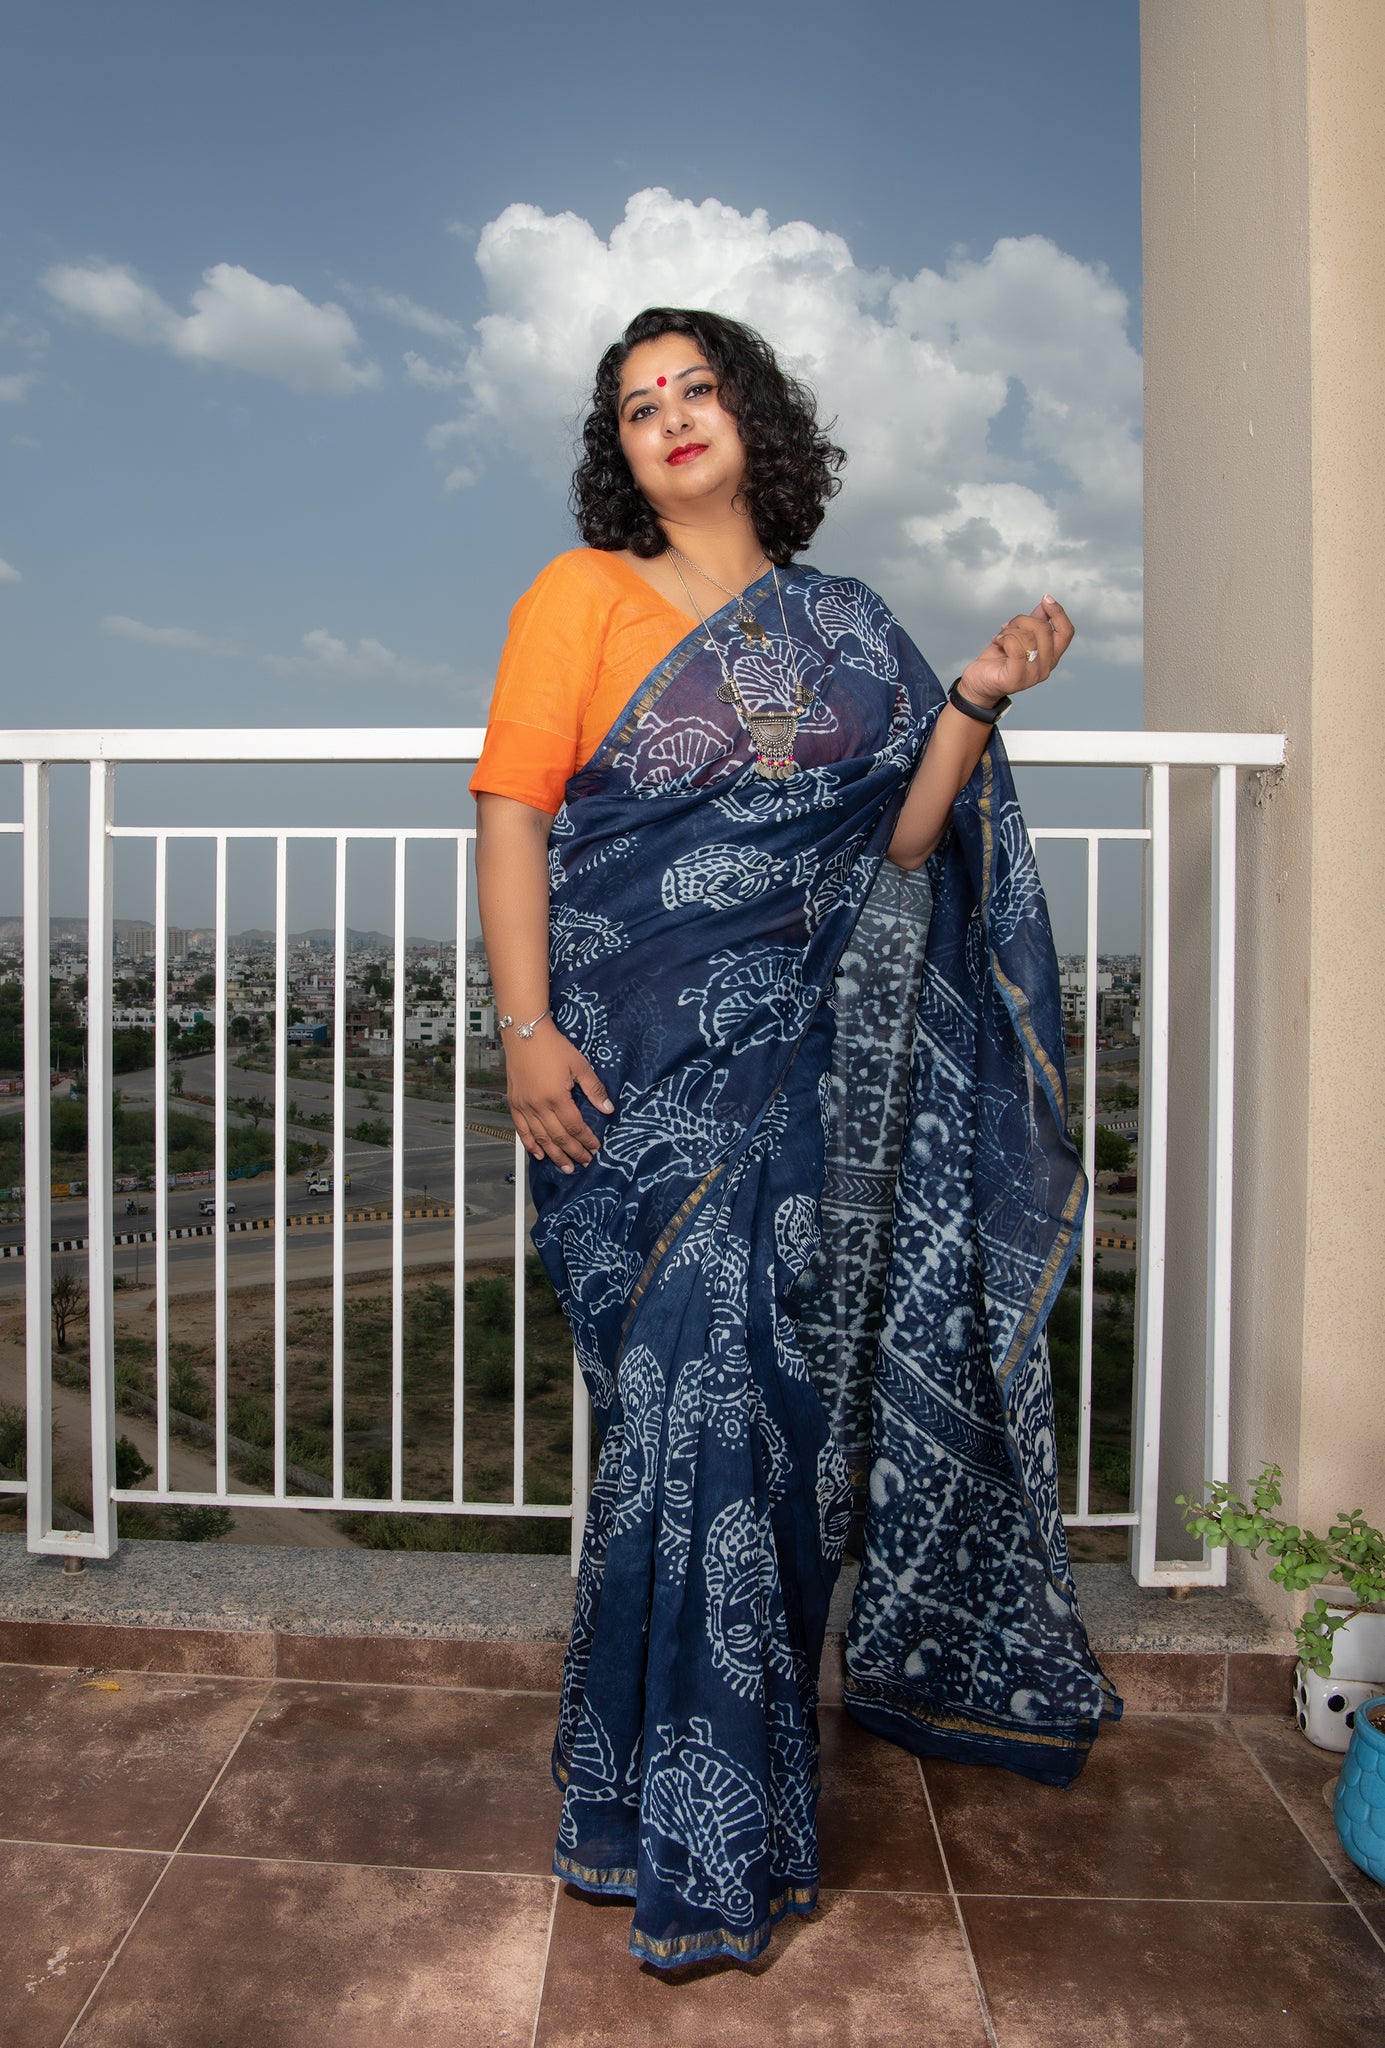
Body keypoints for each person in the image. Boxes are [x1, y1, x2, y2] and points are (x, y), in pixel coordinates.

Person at [471, 307, 1120, 1971]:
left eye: (695, 387)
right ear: (618, 453)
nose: (670, 416)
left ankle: (708, 1813)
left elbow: (904, 839)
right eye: (637, 405)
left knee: (758, 1429)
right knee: (669, 1422)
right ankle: (643, 1806)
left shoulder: (848, 628)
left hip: (794, 1081)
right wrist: (525, 1033)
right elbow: (515, 815)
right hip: (620, 1079)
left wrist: (972, 695)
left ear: (752, 416)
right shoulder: (577, 598)